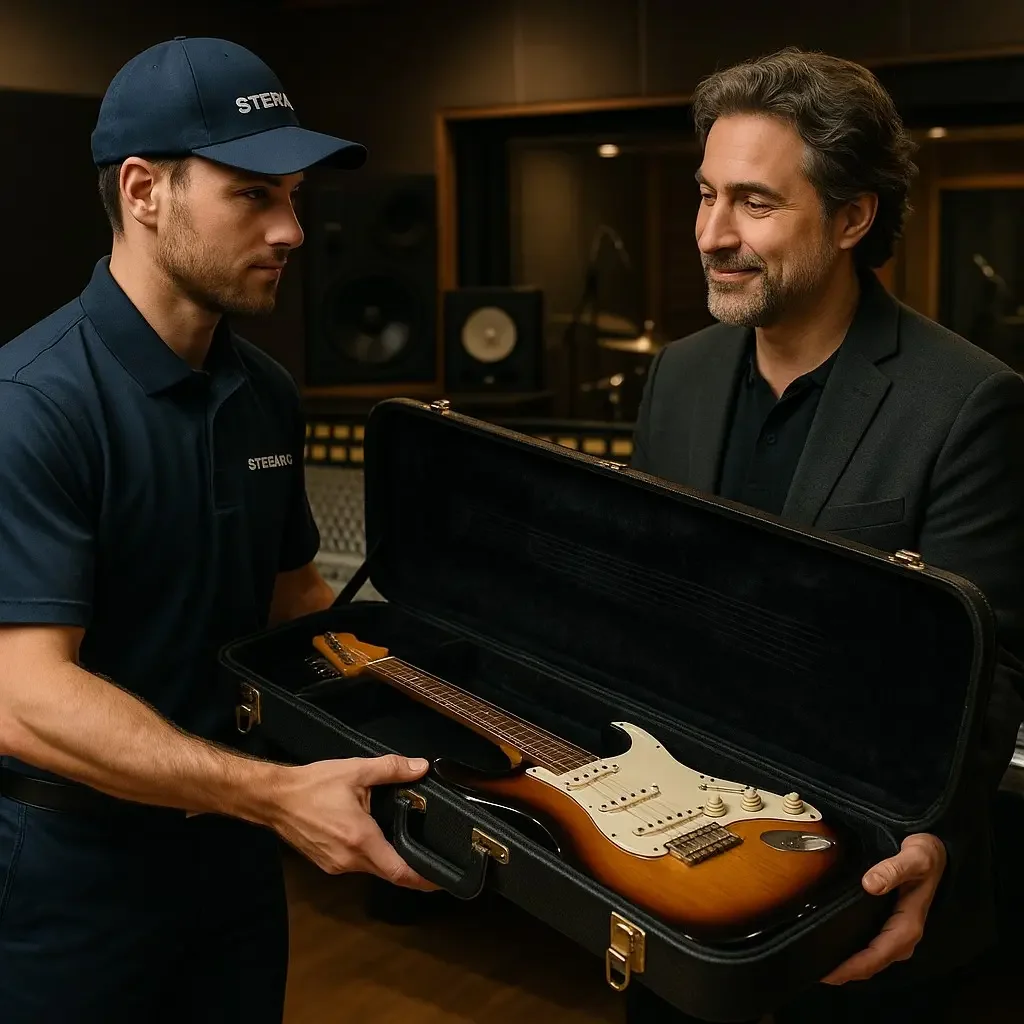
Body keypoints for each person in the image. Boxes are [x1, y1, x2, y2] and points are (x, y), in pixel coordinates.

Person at [0, 36, 437, 1024]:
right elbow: (24, 699)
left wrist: (450, 700)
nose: (291, 230)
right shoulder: (33, 405)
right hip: (74, 880)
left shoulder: (265, 392)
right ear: (144, 191)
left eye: (294, 198)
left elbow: (295, 605)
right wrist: (272, 795)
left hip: (232, 865)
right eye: (252, 195)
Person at [627, 47, 1024, 1023]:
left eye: (754, 203)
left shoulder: (969, 402)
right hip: (675, 880)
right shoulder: (677, 375)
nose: (712, 234)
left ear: (852, 218)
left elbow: (989, 675)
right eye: (705, 195)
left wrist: (929, 838)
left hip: (865, 899)